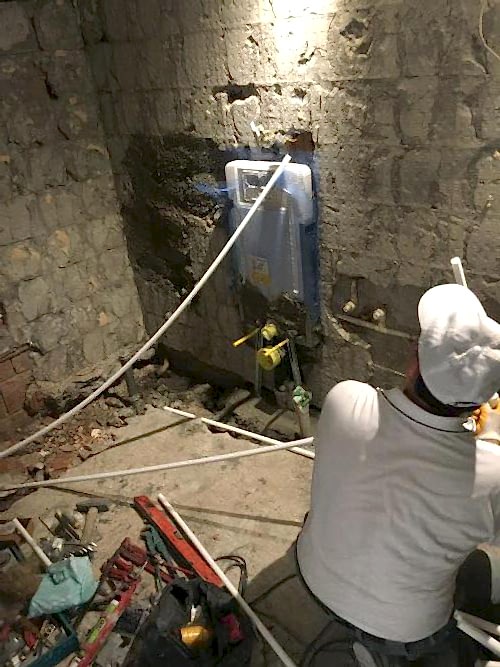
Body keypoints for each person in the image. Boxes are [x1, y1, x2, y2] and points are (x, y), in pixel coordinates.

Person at [296, 283, 500, 666]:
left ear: (414, 364)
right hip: (407, 630)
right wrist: (489, 443)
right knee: (479, 569)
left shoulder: (345, 399)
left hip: (311, 579)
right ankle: (391, 654)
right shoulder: (490, 477)